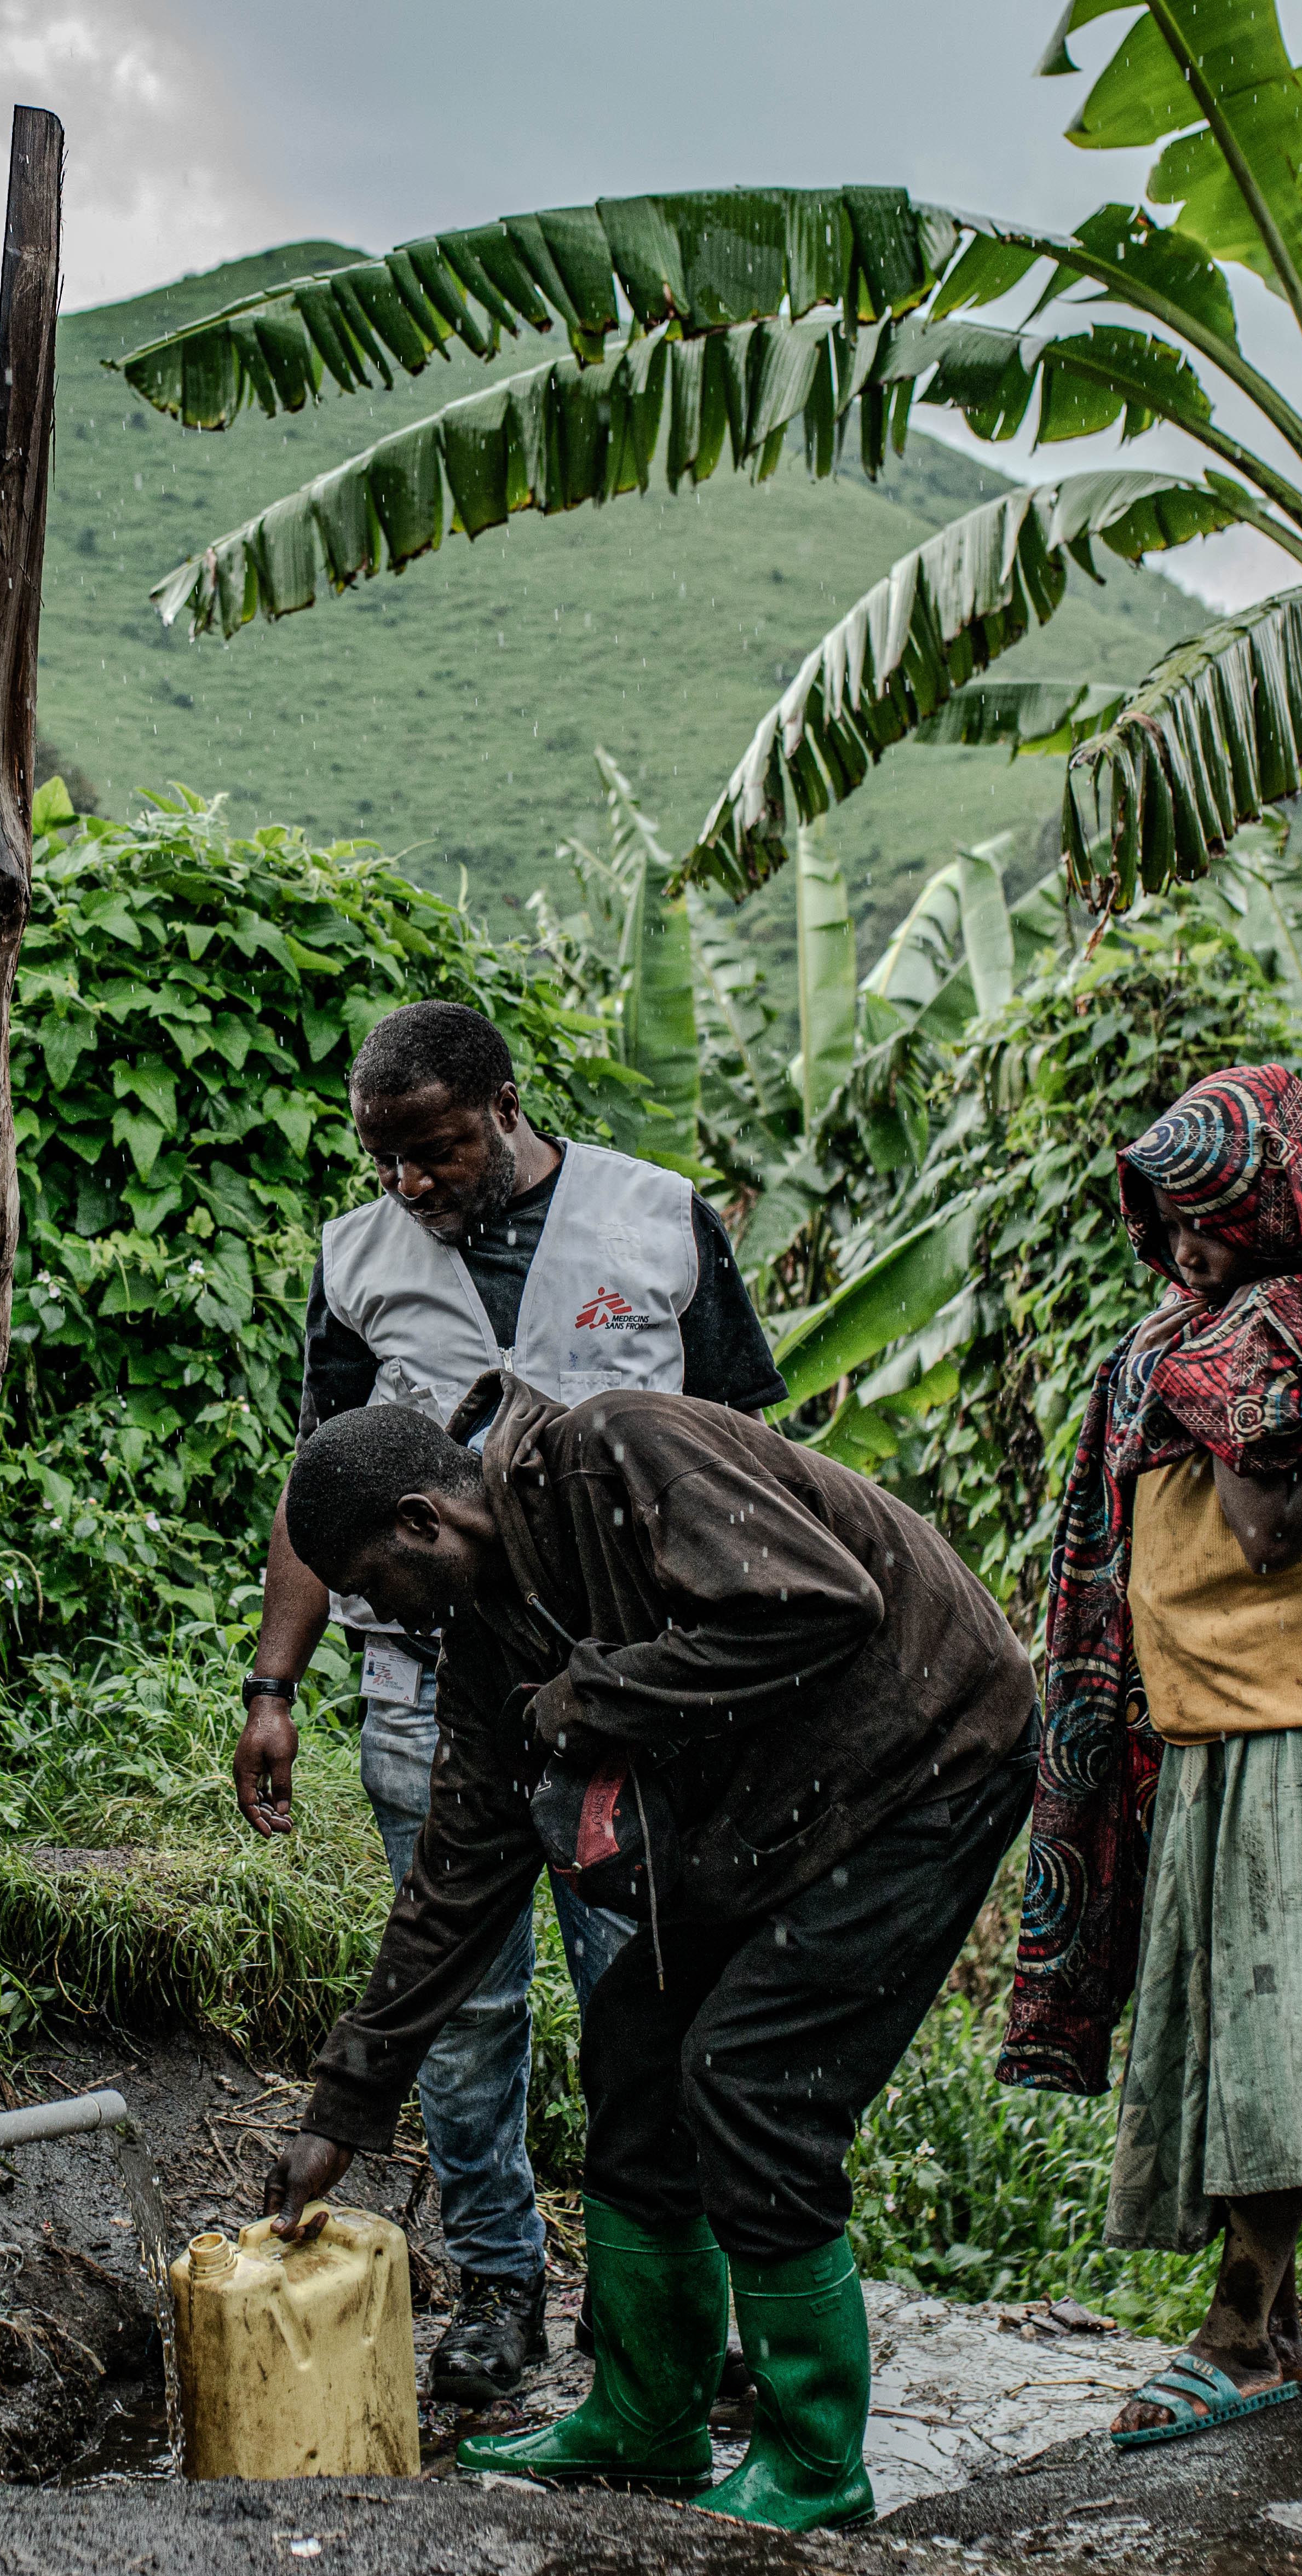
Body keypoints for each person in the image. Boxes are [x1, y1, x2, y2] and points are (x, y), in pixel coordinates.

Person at [259, 1381, 1038, 2532]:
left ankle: (814, 2464)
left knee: (752, 2077)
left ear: (422, 1519)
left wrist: (597, 1695)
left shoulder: (619, 1451)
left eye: (376, 1582)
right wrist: (343, 2104)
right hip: (774, 1809)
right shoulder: (488, 1635)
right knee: (632, 2044)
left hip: (929, 1754)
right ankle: (647, 2413)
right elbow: (458, 1875)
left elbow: (822, 1602)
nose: (389, 1613)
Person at [230, 1000, 786, 2402]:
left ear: (503, 1105)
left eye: (431, 1151)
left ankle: (649, 2294)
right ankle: (491, 2287)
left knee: (639, 1988)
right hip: (423, 1683)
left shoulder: (654, 1221)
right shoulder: (355, 1258)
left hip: (633, 1698)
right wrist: (272, 1684)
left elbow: (753, 1449)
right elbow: (322, 1485)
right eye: (384, 1160)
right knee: (463, 1999)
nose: (408, 1185)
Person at [999, 1065, 1302, 2445]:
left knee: (1280, 2034)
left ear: (1271, 1204)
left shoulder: (1290, 1328)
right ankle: (1277, 2320)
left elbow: (1262, 1525)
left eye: (1209, 1214)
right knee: (1240, 2028)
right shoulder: (1232, 1325)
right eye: (1163, 1215)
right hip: (1216, 1712)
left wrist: (1234, 1382)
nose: (1182, 1243)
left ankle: (1242, 2332)